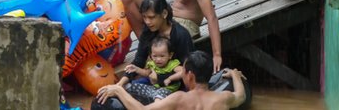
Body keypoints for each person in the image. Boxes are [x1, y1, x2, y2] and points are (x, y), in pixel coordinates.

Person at [96, 51, 246, 110]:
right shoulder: (223, 98)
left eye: (183, 71)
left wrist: (118, 90)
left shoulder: (179, 99)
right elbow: (241, 95)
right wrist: (234, 74)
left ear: (190, 75)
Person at [117, 0, 194, 88]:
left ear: (164, 14)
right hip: (154, 79)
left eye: (151, 17)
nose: (147, 22)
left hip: (175, 84)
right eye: (144, 17)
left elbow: (188, 70)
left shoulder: (181, 35)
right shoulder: (148, 32)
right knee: (130, 87)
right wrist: (120, 84)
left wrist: (160, 78)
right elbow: (139, 61)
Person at [124, 35, 183, 101]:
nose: (158, 59)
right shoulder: (152, 64)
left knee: (158, 95)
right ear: (151, 55)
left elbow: (183, 71)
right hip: (154, 89)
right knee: (130, 86)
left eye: (162, 56)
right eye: (155, 56)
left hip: (168, 91)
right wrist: (136, 69)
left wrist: (170, 78)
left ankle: (156, 105)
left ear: (170, 55)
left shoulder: (171, 64)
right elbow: (146, 73)